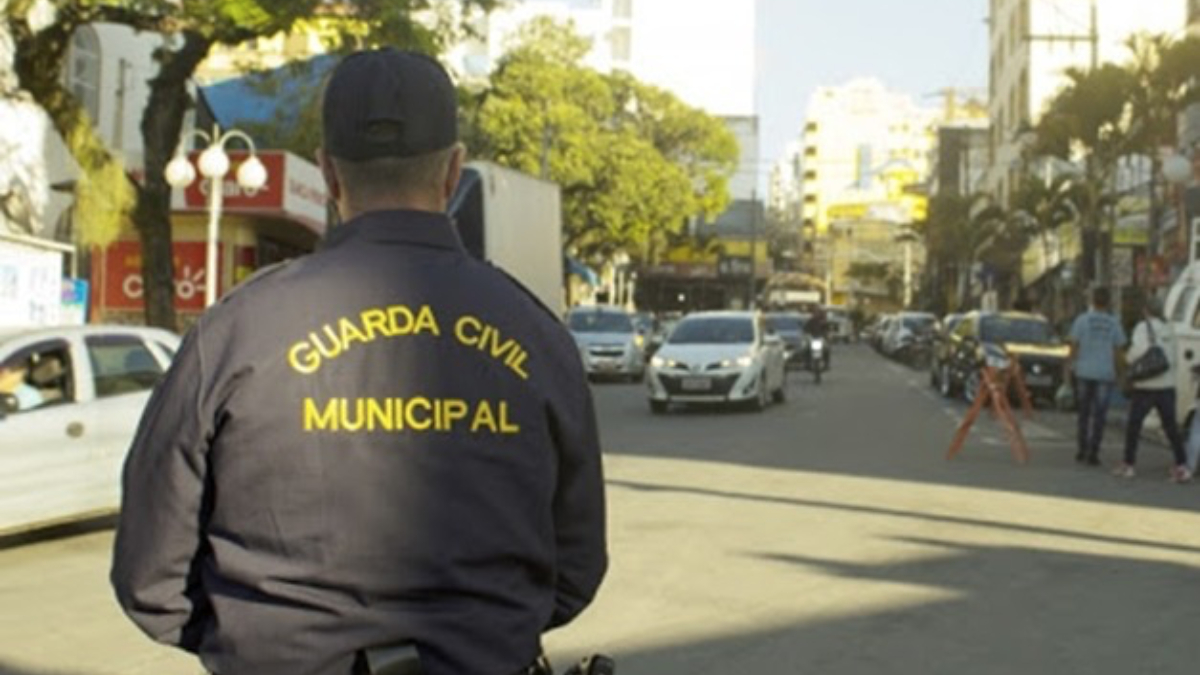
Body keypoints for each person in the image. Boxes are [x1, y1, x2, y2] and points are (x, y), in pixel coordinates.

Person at [111, 48, 607, 675]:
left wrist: (260, 646)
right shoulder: (538, 336)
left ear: (328, 173)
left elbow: (150, 579)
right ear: (454, 172)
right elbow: (577, 568)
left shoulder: (236, 331)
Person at [1116, 298, 1193, 483]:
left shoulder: (1143, 328)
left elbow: (1137, 353)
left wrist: (1127, 361)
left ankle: (1129, 464)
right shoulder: (1170, 330)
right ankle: (1182, 465)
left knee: (1134, 425)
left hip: (1146, 386)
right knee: (1171, 427)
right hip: (1167, 386)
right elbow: (1173, 359)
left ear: (1145, 311)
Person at [1067, 286, 1127, 466]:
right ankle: (1094, 451)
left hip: (1084, 371)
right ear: (1108, 302)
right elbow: (1118, 351)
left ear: (1093, 301)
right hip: (1104, 373)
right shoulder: (1114, 323)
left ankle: (1081, 449)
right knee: (1100, 415)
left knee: (1084, 413)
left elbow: (1074, 346)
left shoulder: (1082, 321)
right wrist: (1121, 373)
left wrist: (1070, 366)